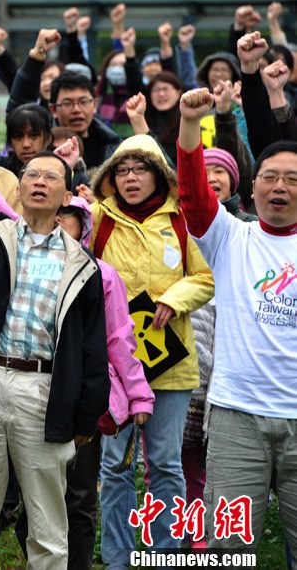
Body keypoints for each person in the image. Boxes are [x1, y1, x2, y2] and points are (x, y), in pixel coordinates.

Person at [0, 68, 109, 570]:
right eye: (31, 174)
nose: (38, 181)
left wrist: (85, 416)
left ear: (67, 193)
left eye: (50, 176)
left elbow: (93, 349)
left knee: (48, 524)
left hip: (44, 391)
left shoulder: (83, 266)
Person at [176, 85, 297, 555]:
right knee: (227, 550)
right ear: (253, 187)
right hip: (235, 419)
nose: (280, 187)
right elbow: (191, 191)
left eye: (291, 178)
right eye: (270, 177)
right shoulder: (230, 237)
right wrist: (189, 123)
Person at [88, 133, 214, 569]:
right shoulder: (97, 219)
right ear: (111, 177)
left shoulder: (180, 221)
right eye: (122, 170)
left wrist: (173, 299)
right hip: (116, 370)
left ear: (158, 174)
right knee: (115, 464)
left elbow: (204, 279)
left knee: (164, 463)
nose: (130, 178)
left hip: (171, 366)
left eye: (140, 169)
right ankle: (117, 558)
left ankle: (165, 555)